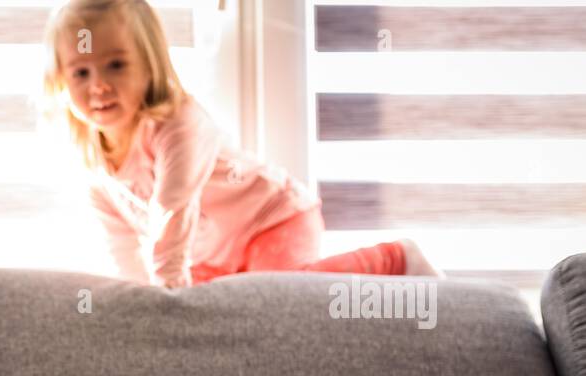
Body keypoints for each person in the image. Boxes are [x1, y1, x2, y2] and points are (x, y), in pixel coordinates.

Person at [42, 0, 441, 287]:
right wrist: (139, 307)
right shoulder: (93, 162)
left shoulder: (177, 124)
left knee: (282, 300)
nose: (98, 86)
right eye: (80, 72)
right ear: (60, 81)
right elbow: (124, 246)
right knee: (220, 318)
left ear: (149, 65)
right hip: (213, 256)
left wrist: (165, 301)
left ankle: (396, 258)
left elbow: (172, 212)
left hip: (271, 219)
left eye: (116, 64)